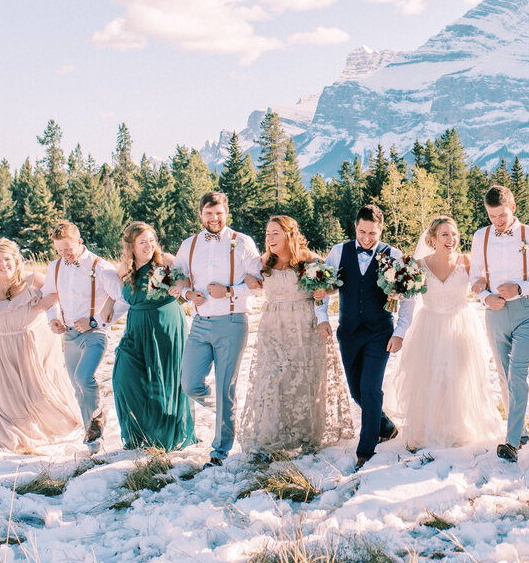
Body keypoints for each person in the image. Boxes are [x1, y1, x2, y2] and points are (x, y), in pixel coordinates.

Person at [239, 215, 354, 456]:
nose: (269, 238)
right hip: (273, 326)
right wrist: (248, 280)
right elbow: (245, 280)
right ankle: (273, 433)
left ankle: (304, 433)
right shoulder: (264, 262)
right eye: (268, 233)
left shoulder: (309, 260)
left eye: (275, 233)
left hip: (304, 325)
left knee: (302, 380)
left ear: (289, 234)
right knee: (271, 379)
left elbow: (335, 283)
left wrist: (325, 291)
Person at [389, 216, 502, 450]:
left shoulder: (467, 261)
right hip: (429, 326)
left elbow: (483, 283)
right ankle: (428, 428)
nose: (452, 239)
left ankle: (457, 427)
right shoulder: (418, 265)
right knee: (430, 377)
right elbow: (407, 298)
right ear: (432, 239)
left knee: (458, 377)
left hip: (461, 325)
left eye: (454, 234)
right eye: (445, 235)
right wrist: (395, 296)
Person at [316, 204, 415, 469]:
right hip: (347, 332)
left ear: (381, 229)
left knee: (371, 389)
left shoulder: (394, 255)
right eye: (362, 232)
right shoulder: (338, 252)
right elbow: (321, 286)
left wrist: (401, 332)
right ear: (355, 227)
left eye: (372, 233)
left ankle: (366, 450)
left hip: (380, 331)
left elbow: (408, 296)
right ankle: (385, 426)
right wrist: (322, 317)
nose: (367, 238)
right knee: (357, 391)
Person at [170, 192, 262, 466]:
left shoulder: (243, 242)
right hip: (200, 323)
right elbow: (176, 277)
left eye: (219, 213)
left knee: (225, 387)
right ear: (201, 215)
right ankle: (228, 415)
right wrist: (187, 294)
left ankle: (220, 450)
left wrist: (231, 291)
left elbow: (258, 282)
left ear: (226, 212)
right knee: (189, 384)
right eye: (209, 214)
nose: (214, 218)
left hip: (232, 322)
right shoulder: (189, 244)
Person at [0, 238, 78, 451]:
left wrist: (51, 305)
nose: (3, 265)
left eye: (7, 259)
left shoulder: (32, 280)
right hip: (1, 351)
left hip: (33, 345)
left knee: (40, 393)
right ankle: (15, 435)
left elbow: (62, 290)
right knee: (9, 397)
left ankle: (55, 425)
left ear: (16, 260)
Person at [469, 185, 529, 463]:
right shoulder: (481, 236)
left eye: (502, 215)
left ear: (513, 207)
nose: (498, 222)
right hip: (495, 313)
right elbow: (474, 277)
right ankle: (522, 430)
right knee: (503, 375)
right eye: (492, 216)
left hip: (527, 312)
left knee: (517, 373)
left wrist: (521, 288)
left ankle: (512, 442)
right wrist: (485, 297)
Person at [111, 222, 197, 452]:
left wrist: (178, 287)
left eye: (151, 240)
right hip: (136, 328)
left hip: (165, 326)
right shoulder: (124, 269)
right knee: (123, 378)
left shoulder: (165, 261)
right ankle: (139, 433)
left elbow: (186, 281)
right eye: (142, 242)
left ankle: (163, 434)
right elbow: (120, 294)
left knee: (162, 378)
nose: (149, 246)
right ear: (131, 246)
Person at [41, 220, 124, 449]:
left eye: (68, 249)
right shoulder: (55, 267)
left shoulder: (100, 266)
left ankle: (96, 419)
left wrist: (95, 320)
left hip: (94, 333)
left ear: (80, 242)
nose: (65, 254)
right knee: (77, 389)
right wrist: (53, 319)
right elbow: (49, 296)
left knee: (83, 377)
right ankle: (93, 437)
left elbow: (123, 298)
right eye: (60, 250)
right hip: (68, 335)